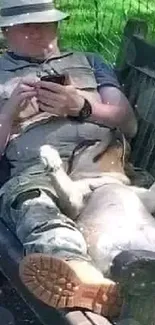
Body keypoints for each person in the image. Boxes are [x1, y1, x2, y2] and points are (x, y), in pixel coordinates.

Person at [0, 0, 138, 321]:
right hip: (36, 175)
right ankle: (85, 282)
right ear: (6, 32)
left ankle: (134, 277)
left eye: (44, 23)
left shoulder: (89, 61)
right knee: (40, 214)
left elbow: (127, 122)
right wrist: (9, 114)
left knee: (130, 211)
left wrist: (83, 106)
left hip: (106, 168)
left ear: (57, 25)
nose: (36, 32)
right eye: (25, 25)